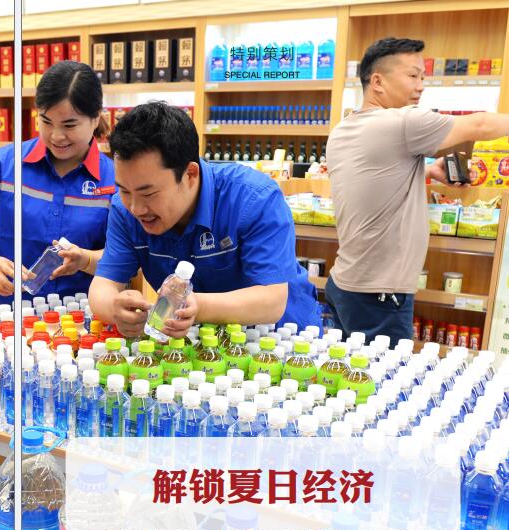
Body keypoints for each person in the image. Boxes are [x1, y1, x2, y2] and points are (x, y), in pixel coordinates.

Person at [325, 37, 509, 347]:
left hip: (345, 284)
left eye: (423, 77)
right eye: (412, 75)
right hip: (380, 295)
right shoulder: (403, 122)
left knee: (350, 372)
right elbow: (478, 125)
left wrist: (427, 170)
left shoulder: (344, 128)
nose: (421, 86)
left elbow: (373, 177)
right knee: (383, 376)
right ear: (377, 81)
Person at [89, 101, 321, 337]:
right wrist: (115, 309)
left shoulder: (253, 199)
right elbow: (103, 286)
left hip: (280, 338)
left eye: (148, 193)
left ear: (190, 174)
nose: (136, 208)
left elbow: (271, 301)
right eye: (124, 190)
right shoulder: (124, 209)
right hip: (201, 342)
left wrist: (196, 305)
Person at [0, 60, 116, 307]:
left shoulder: (114, 181)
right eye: (46, 122)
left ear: (96, 119)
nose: (57, 136)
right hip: (6, 314)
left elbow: (124, 258)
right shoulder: (4, 165)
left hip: (80, 318)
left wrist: (85, 259)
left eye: (69, 125)